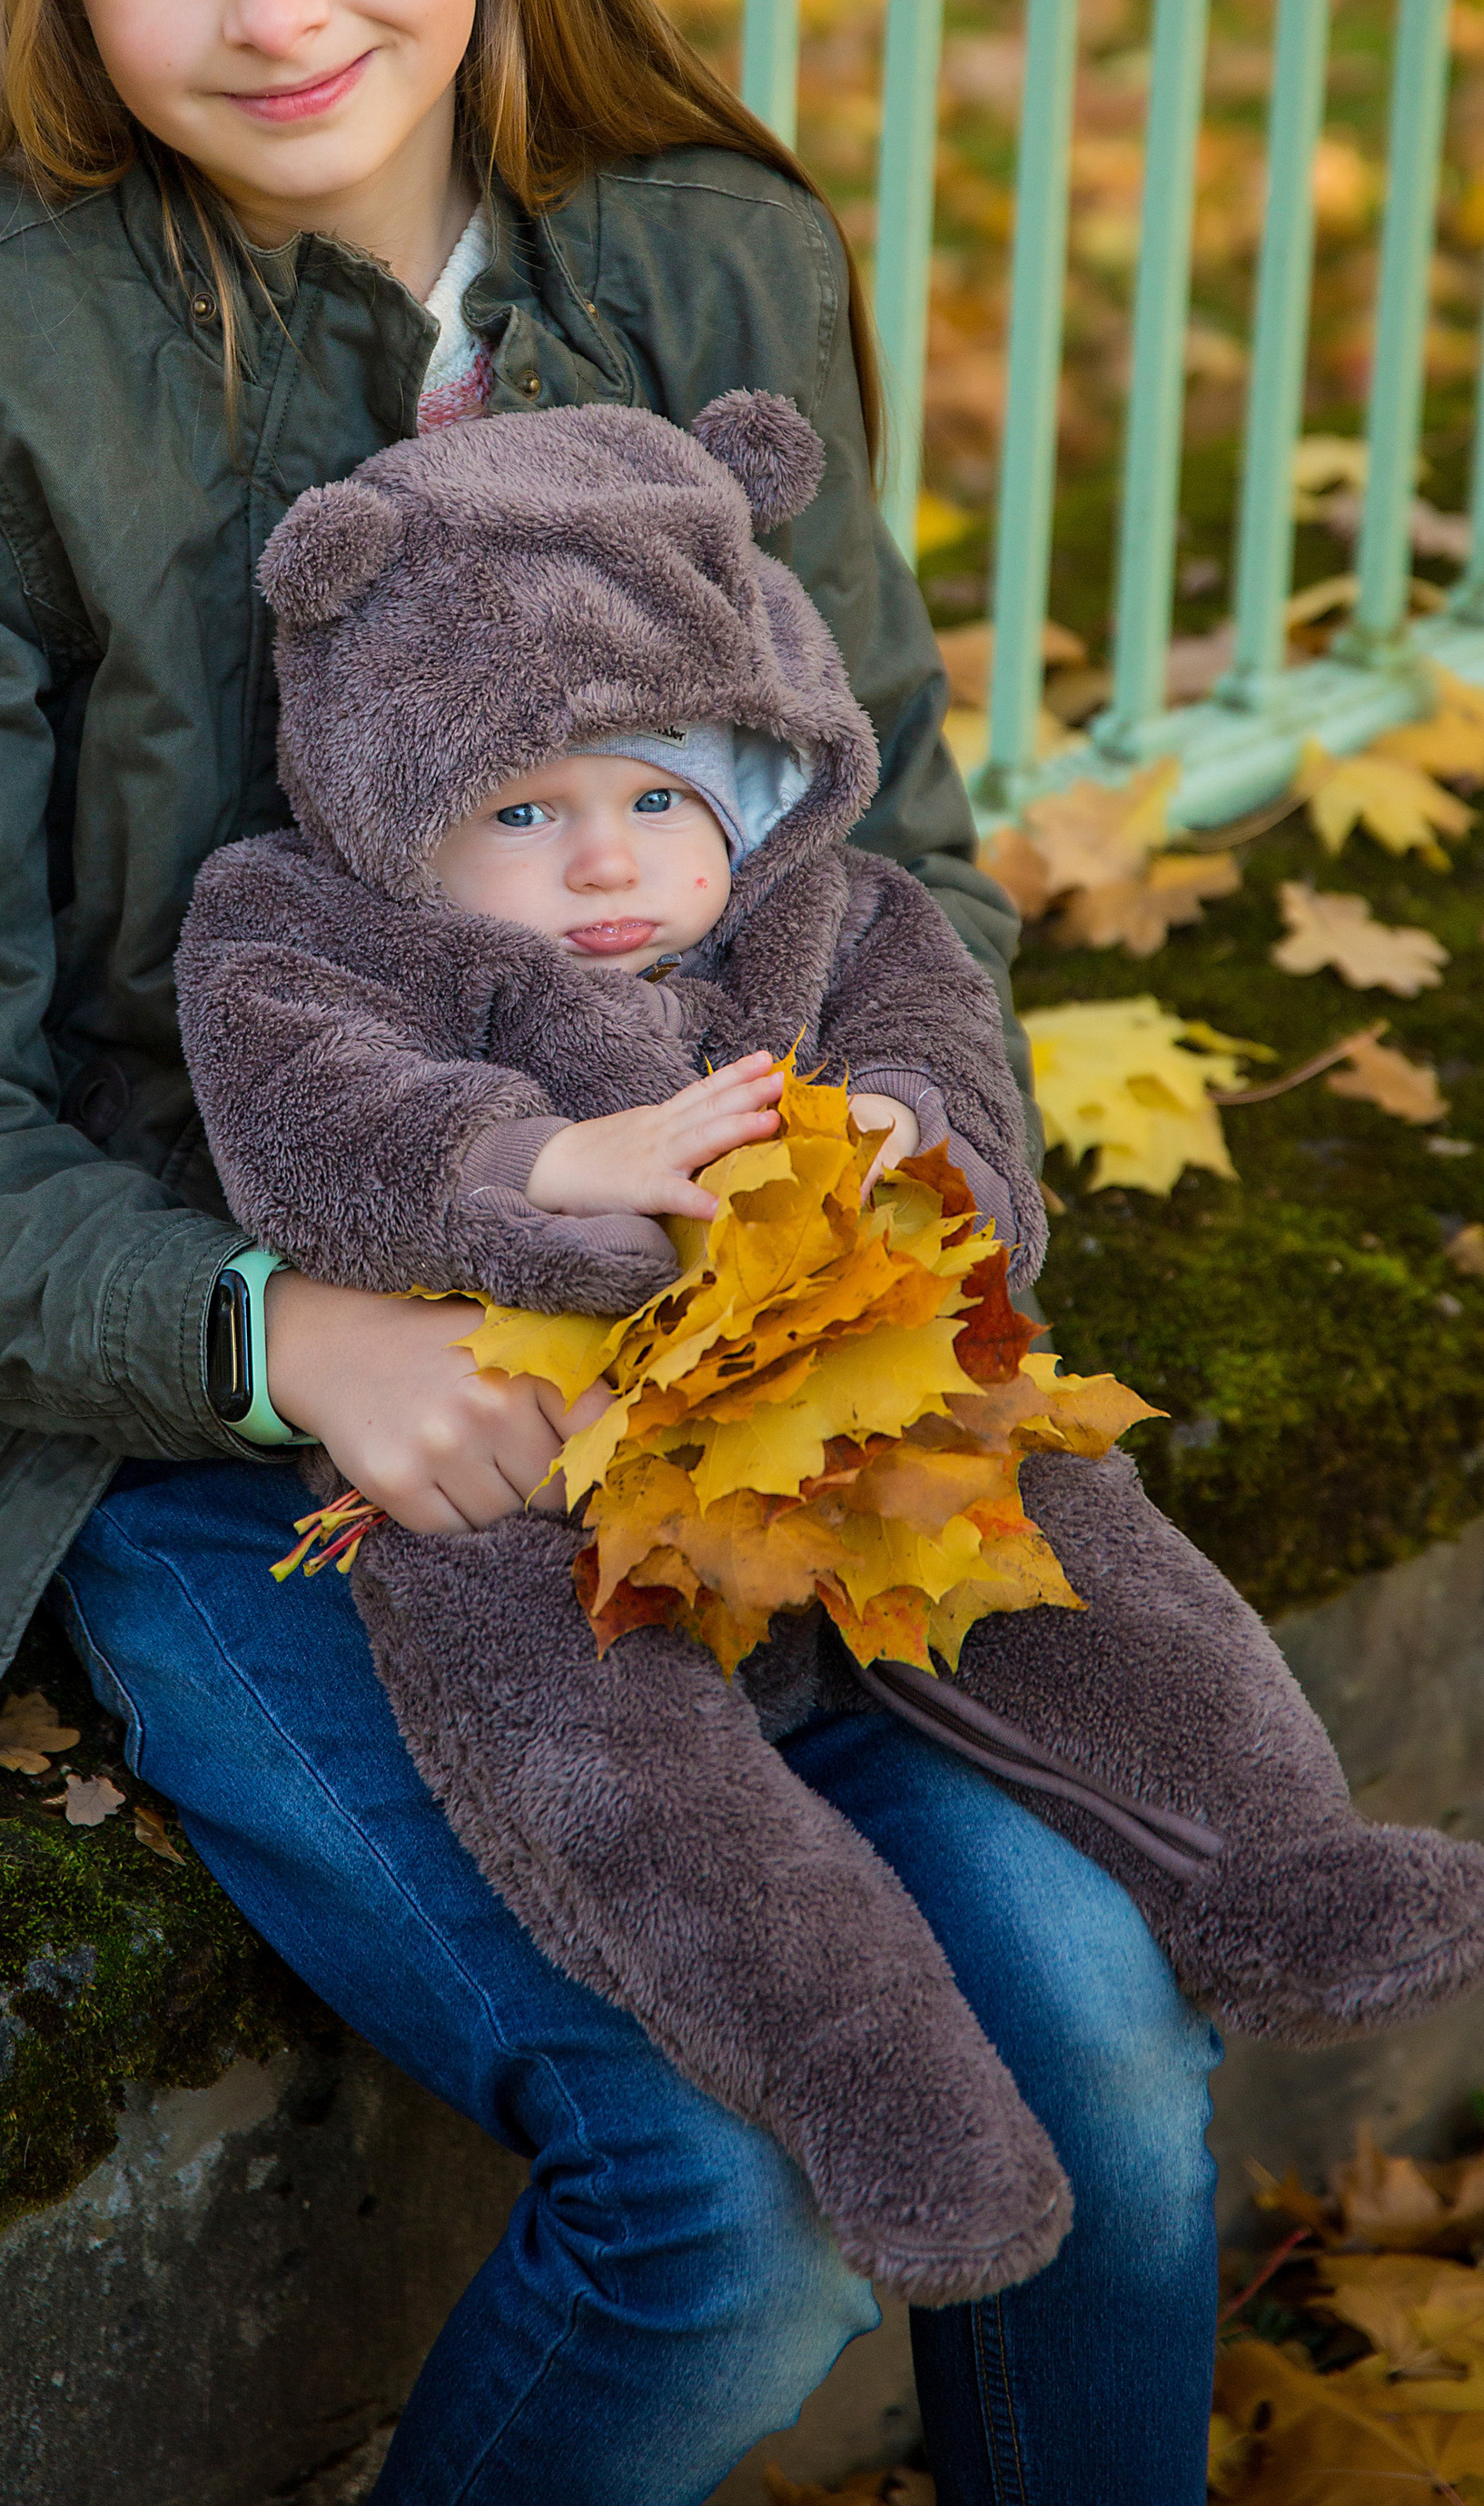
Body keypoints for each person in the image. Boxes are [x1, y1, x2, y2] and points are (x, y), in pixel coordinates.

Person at [0, 0, 1220, 2503]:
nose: (276, 3)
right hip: (205, 1421)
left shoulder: (697, 260)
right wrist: (294, 1335)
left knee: (1112, 2072)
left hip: (710, 1350)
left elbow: (891, 850)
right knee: (729, 2210)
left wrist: (904, 1185)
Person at [175, 384, 1484, 2315]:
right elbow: (312, 1114)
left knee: (1075, 1544)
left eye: (654, 801)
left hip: (831, 1386)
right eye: (520, 814)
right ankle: (879, 2102)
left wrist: (906, 1147)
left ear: (753, 788)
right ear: (393, 804)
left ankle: (1272, 1868)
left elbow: (954, 1074)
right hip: (528, 1454)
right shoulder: (302, 925)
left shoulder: (829, 920)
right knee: (618, 1776)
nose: (603, 866)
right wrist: (547, 1163)